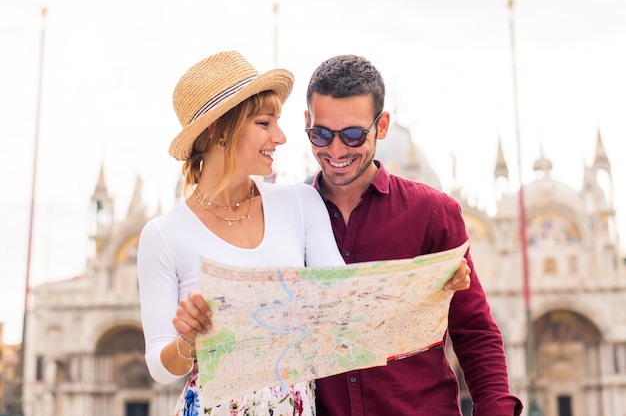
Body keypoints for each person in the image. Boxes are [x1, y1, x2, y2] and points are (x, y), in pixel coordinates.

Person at [137, 51, 471, 416]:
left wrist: (428, 282)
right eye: (265, 123)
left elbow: (344, 304)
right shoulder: (162, 236)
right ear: (220, 130)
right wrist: (188, 339)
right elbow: (160, 366)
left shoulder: (300, 203)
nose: (280, 137)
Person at [304, 54, 524, 416]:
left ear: (383, 125)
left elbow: (474, 330)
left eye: (354, 135)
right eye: (322, 134)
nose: (337, 150)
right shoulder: (288, 217)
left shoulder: (432, 213)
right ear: (307, 123)